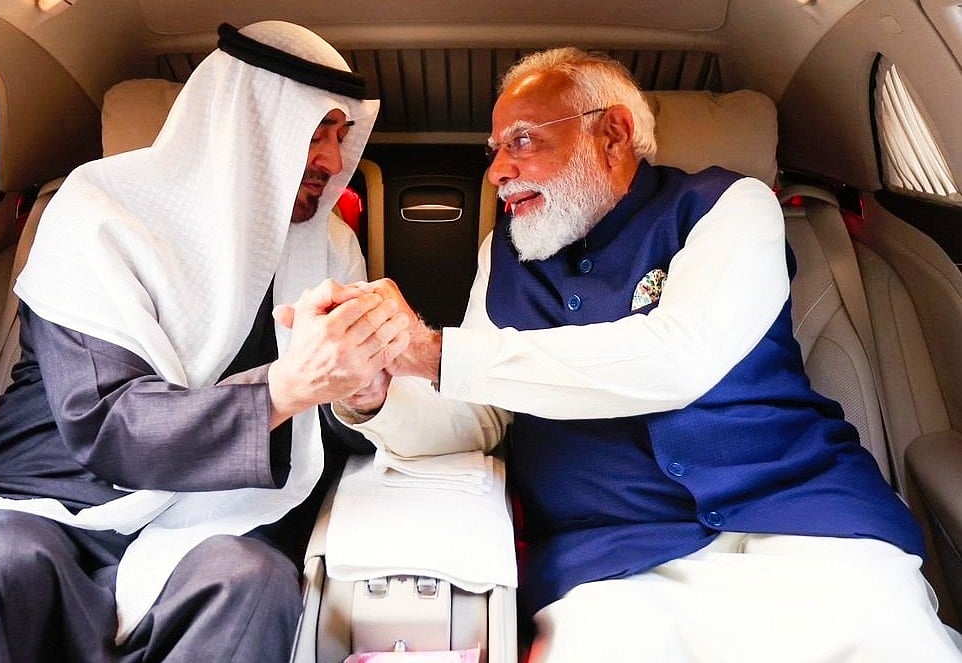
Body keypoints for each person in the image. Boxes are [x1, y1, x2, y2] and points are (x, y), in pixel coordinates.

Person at [331, 47, 962, 662]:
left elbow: (678, 360)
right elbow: (478, 415)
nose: (497, 171)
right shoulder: (502, 257)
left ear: (612, 134)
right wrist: (377, 394)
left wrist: (438, 352)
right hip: (615, 566)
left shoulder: (730, 207)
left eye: (522, 140)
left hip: (808, 527)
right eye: (494, 151)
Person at [0, 21, 408, 663]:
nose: (335, 161)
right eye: (314, 133)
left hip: (219, 514)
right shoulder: (98, 212)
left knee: (255, 583)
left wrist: (360, 398)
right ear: (246, 127)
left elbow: (320, 439)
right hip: (48, 497)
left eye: (341, 135)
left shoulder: (332, 247)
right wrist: (289, 386)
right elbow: (109, 423)